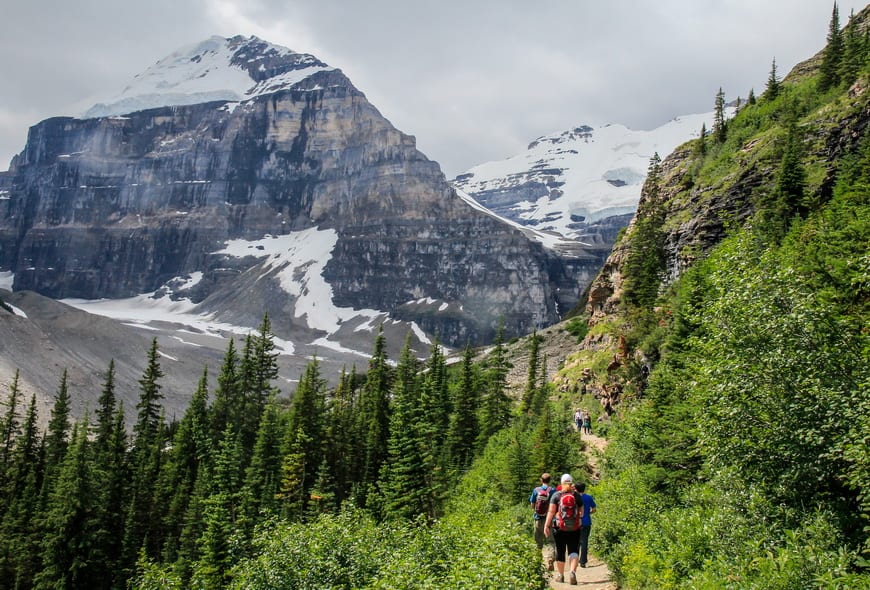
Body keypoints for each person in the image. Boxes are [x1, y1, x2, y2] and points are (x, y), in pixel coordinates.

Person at [544, 473, 584, 585]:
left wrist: (546, 526)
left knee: (560, 550)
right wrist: (577, 520)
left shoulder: (556, 495)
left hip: (559, 528)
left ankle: (561, 576)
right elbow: (582, 512)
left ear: (561, 483)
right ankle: (572, 572)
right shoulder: (576, 496)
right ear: (571, 483)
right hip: (575, 528)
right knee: (574, 550)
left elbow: (551, 512)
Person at [529, 473, 556, 570]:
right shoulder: (553, 490)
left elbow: (532, 504)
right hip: (548, 519)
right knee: (551, 541)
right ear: (550, 480)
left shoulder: (536, 490)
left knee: (538, 541)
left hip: (537, 518)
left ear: (541, 480)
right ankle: (550, 559)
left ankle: (538, 562)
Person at [575, 481, 597, 568]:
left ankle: (574, 560)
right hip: (587, 522)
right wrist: (588, 513)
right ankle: (583, 561)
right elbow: (594, 509)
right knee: (584, 542)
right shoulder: (589, 497)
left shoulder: (574, 498)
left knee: (576, 541)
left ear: (576, 489)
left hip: (576, 522)